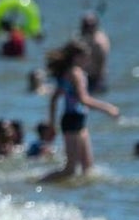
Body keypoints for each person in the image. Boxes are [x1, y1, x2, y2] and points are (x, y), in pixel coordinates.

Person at [40, 39, 120, 182]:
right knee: (70, 170)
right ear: (76, 57)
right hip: (72, 121)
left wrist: (52, 123)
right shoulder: (76, 73)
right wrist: (108, 108)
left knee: (88, 169)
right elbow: (84, 99)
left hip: (77, 120)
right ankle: (39, 182)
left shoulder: (67, 72)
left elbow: (54, 99)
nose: (88, 59)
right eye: (86, 56)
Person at [79, 12, 111, 93]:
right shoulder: (88, 37)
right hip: (89, 77)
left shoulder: (98, 42)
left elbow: (101, 61)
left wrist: (99, 80)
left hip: (96, 79)